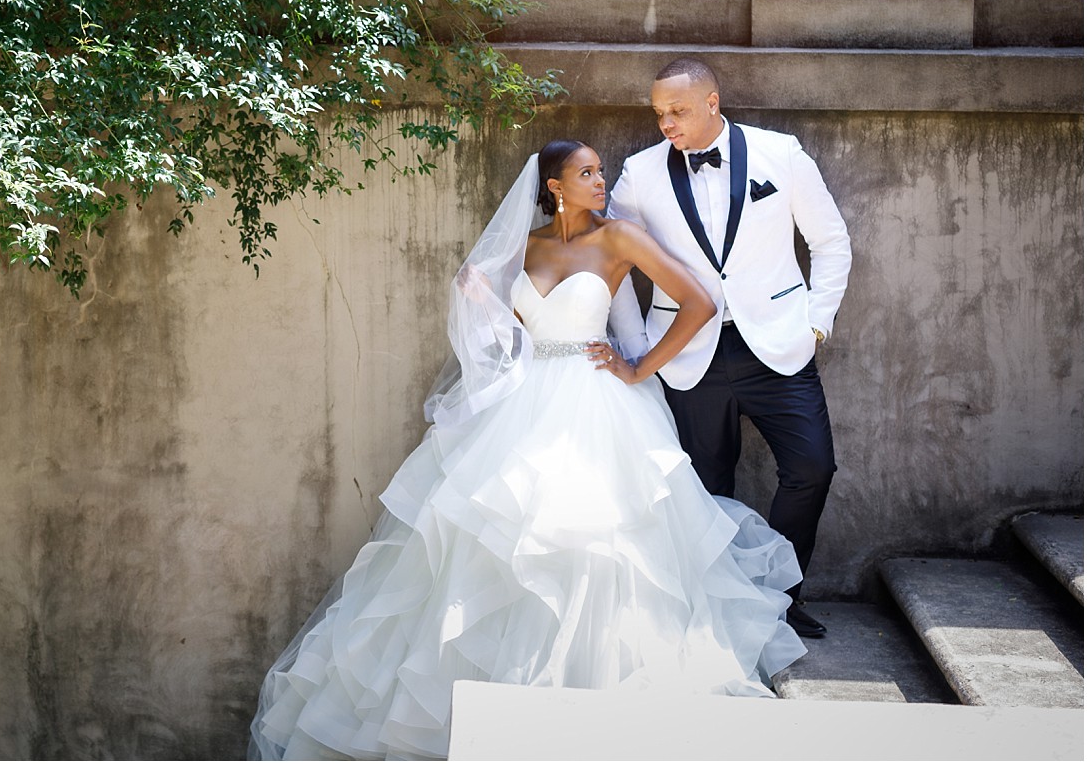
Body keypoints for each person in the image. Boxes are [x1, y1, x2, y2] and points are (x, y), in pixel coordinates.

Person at [248, 140, 806, 761]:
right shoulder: (527, 248)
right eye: (587, 174)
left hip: (600, 404)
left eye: (600, 172)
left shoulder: (620, 238)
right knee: (494, 541)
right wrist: (479, 300)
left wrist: (640, 367)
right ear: (555, 186)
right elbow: (483, 300)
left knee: (600, 545)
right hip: (525, 401)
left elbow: (701, 302)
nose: (602, 181)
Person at [607, 58, 851, 640]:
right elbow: (612, 263)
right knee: (706, 488)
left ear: (712, 103)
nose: (666, 122)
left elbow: (831, 240)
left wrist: (816, 324)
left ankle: (781, 600)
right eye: (659, 113)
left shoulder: (781, 154)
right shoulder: (640, 174)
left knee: (812, 468)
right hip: (688, 355)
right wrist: (644, 355)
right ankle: (718, 611)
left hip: (779, 348)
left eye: (678, 111)